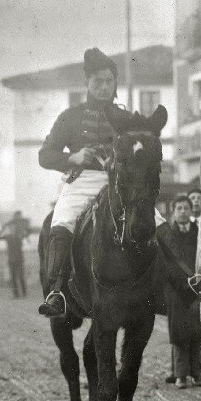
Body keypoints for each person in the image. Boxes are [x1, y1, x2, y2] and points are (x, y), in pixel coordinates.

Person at [38, 47, 133, 318]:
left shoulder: (127, 118)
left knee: (156, 220)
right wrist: (74, 157)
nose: (104, 87)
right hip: (82, 181)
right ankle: (56, 292)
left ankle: (181, 282)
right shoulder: (70, 117)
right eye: (98, 81)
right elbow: (45, 155)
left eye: (109, 81)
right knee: (62, 220)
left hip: (119, 183)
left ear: (115, 83)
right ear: (86, 82)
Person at [158, 196, 201, 388]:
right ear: (174, 212)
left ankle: (197, 374)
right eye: (179, 208)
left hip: (196, 288)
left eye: (186, 208)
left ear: (191, 211)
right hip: (175, 289)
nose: (183, 212)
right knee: (179, 332)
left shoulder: (198, 233)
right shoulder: (167, 235)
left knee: (197, 330)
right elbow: (164, 263)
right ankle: (180, 375)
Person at [0, 211, 31, 298]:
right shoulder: (11, 236)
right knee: (14, 277)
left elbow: (28, 232)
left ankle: (23, 293)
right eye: (11, 228)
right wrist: (4, 229)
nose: (12, 229)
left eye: (13, 228)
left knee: (20, 276)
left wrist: (7, 229)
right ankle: (17, 294)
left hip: (18, 258)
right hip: (13, 259)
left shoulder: (17, 235)